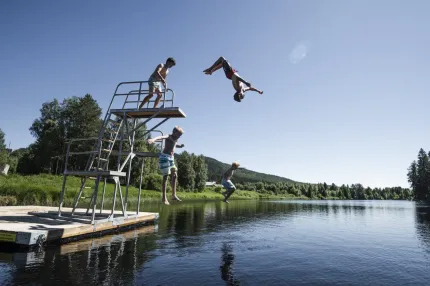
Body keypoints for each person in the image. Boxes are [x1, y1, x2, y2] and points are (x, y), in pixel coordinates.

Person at [147, 126, 184, 205]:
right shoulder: (169, 136)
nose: (179, 136)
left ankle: (173, 195)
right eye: (179, 135)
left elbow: (174, 144)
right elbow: (161, 137)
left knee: (175, 175)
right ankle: (164, 198)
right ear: (174, 132)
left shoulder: (176, 139)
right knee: (166, 176)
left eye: (180, 135)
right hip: (164, 157)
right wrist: (153, 139)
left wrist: (180, 146)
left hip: (171, 158)